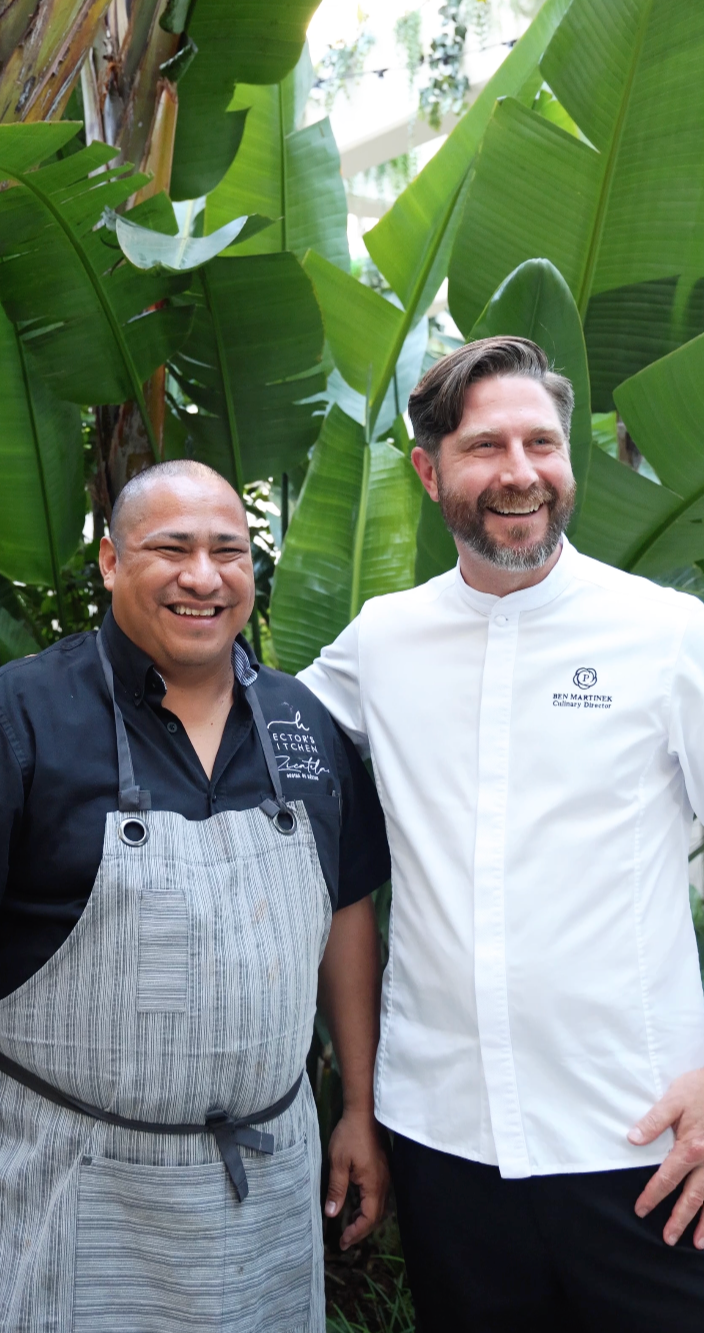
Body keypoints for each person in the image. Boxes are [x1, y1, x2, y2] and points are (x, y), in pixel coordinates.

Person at [299, 336, 704, 1332]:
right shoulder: (381, 640)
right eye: (486, 447)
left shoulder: (666, 635)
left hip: (643, 1141)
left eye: (542, 443)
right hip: (444, 1143)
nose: (521, 472)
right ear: (429, 471)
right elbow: (251, 738)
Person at [0, 459, 390, 1332]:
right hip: (63, 1181)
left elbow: (347, 910)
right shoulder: (15, 720)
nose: (204, 576)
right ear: (111, 560)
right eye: (172, 548)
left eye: (228, 551)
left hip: (265, 1192)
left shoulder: (303, 724)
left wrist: (359, 1106)